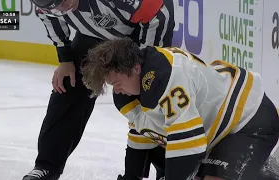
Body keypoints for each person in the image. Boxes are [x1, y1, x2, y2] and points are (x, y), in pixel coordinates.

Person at [80, 37, 279, 180]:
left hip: (250, 119)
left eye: (117, 82)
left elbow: (188, 144)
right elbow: (143, 132)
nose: (117, 90)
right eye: (112, 85)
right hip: (217, 133)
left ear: (135, 68)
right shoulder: (129, 91)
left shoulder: (166, 78)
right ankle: (260, 171)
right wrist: (132, 176)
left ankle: (265, 170)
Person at [23, 0, 175, 179]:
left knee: (148, 96)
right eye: (55, 7)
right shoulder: (47, 4)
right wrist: (65, 59)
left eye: (63, 2)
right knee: (68, 86)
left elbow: (159, 12)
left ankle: (167, 168)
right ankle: (46, 167)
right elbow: (48, 16)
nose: (61, 9)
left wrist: (147, 64)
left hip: (137, 33)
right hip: (93, 33)